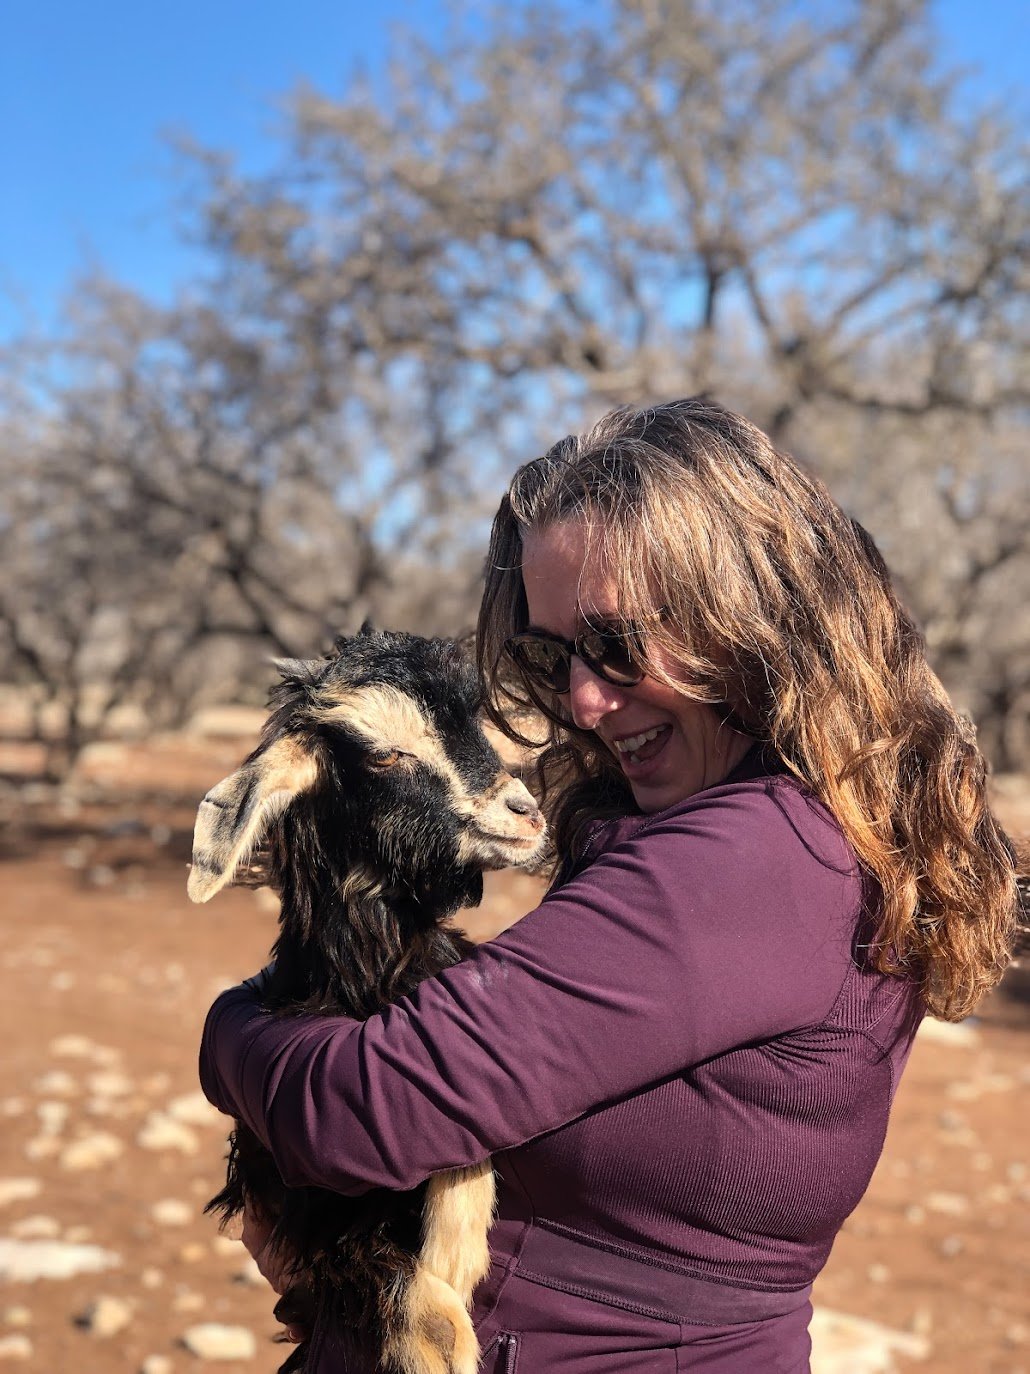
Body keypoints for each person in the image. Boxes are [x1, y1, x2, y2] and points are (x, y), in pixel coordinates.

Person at [199, 397, 1017, 1372]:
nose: (584, 698)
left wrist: (232, 1028)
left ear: (749, 618)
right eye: (558, 655)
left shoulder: (751, 860)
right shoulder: (793, 836)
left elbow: (361, 1108)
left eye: (621, 645)